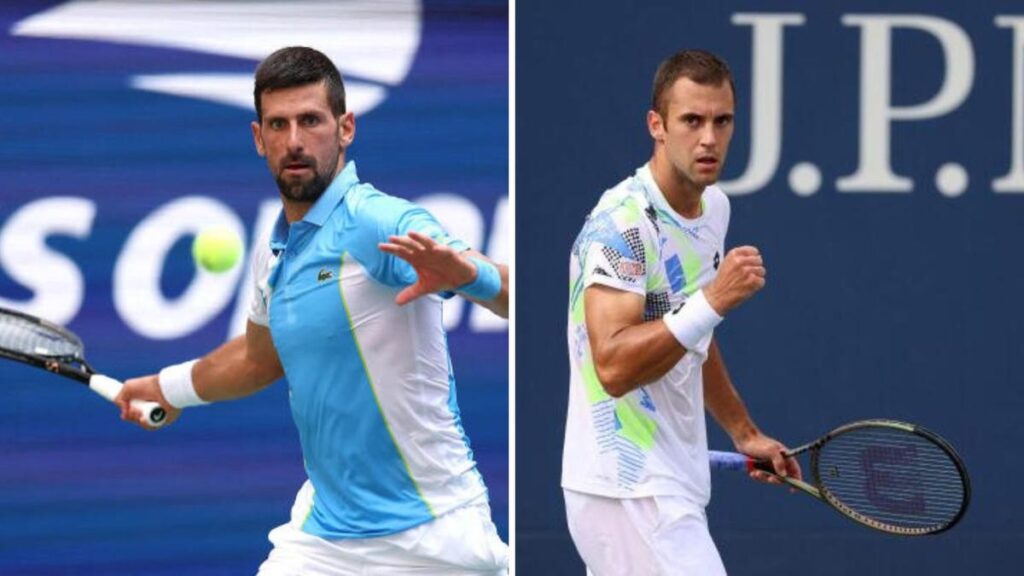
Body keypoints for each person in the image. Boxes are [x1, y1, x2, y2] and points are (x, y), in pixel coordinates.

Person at [115, 46, 509, 575]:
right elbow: (259, 359)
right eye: (278, 124)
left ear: (345, 128)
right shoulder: (274, 252)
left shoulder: (378, 221)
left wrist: (467, 276)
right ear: (259, 139)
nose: (295, 141)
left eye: (311, 121)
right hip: (324, 540)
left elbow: (510, 292)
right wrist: (168, 387)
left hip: (433, 536)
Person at [561, 49, 801, 575]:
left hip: (670, 485)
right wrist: (714, 298)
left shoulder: (714, 208)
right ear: (658, 126)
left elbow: (692, 336)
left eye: (722, 121)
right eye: (691, 120)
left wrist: (743, 431)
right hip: (628, 490)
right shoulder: (622, 224)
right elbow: (614, 367)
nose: (709, 138)